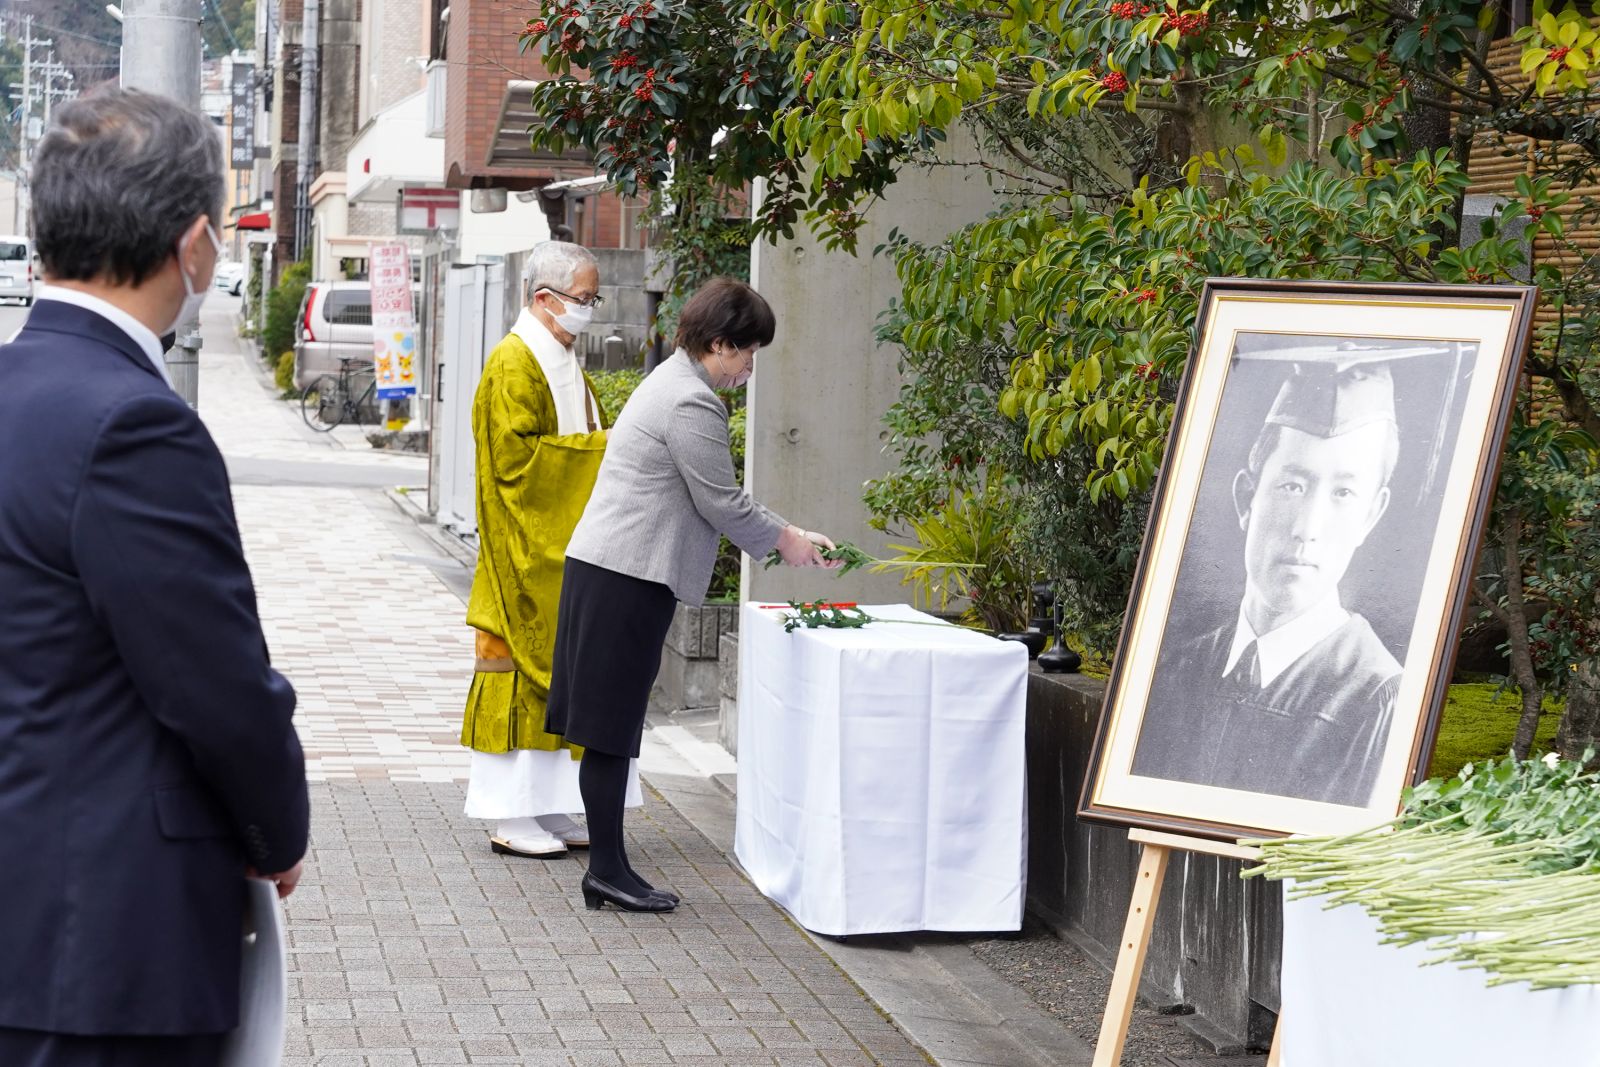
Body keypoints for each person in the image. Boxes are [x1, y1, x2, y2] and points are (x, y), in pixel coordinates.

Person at [0, 89, 310, 1065]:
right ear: (194, 242)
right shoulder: (136, 423)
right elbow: (213, 684)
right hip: (105, 941)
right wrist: (278, 824)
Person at [547, 277, 841, 913]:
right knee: (609, 729)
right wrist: (787, 539)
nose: (750, 368)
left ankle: (609, 868)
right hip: (625, 574)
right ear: (719, 343)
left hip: (615, 570)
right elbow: (720, 499)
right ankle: (606, 872)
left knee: (612, 727)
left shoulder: (673, 382)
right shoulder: (690, 403)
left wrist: (782, 534)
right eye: (749, 353)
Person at [1132, 354, 1406, 807]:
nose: (1307, 528)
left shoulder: (1376, 698)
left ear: (1370, 517)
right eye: (1292, 486)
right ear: (1246, 498)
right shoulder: (1175, 668)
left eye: (1343, 493)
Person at [460, 241, 641, 858]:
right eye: (585, 299)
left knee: (565, 677)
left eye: (593, 298)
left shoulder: (558, 354)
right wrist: (601, 450)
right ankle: (508, 814)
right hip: (522, 551)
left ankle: (550, 807)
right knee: (516, 672)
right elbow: (517, 468)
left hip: (561, 547)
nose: (590, 309)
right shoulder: (514, 365)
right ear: (545, 299)